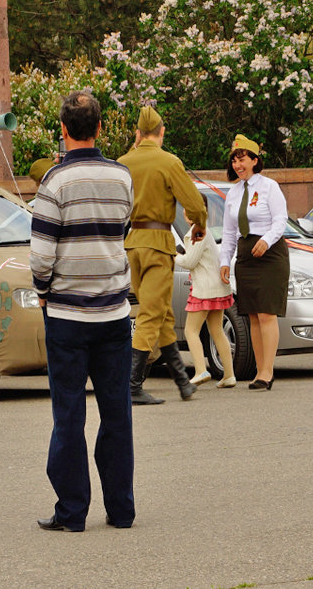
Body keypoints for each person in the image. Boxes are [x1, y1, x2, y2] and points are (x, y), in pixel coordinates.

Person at [30, 91, 135, 532]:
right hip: (113, 312)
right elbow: (122, 229)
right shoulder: (122, 177)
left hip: (68, 317)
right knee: (117, 414)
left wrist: (43, 291)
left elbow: (40, 257)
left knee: (69, 415)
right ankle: (122, 509)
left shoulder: (53, 183)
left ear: (63, 129)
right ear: (100, 127)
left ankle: (72, 512)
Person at [117, 106, 207, 405]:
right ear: (162, 132)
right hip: (158, 244)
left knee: (162, 314)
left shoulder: (122, 162)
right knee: (151, 314)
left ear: (138, 133)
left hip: (132, 244)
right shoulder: (169, 161)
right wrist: (199, 226)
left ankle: (183, 382)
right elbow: (194, 204)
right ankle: (131, 385)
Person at [219, 134, 289, 390]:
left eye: (242, 159)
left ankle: (267, 373)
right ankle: (259, 370)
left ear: (254, 160)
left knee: (267, 313)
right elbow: (228, 232)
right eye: (234, 161)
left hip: (270, 254)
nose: (238, 165)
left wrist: (267, 240)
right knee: (253, 316)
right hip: (246, 255)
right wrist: (224, 261)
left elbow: (281, 220)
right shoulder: (233, 193)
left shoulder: (269, 187)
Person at [175, 221, 237, 388]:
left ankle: (201, 370)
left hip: (205, 289)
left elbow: (190, 261)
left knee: (190, 330)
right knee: (216, 330)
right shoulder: (202, 230)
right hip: (216, 287)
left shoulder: (198, 231)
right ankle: (229, 375)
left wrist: (174, 255)